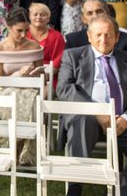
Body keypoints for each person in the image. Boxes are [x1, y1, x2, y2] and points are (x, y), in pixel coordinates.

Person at [57, 14, 127, 196]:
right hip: (88, 115)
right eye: (98, 34)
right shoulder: (73, 56)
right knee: (82, 120)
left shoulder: (125, 59)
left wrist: (125, 119)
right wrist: (96, 112)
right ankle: (75, 186)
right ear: (89, 36)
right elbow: (64, 89)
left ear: (117, 37)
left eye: (108, 34)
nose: (103, 40)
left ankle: (122, 188)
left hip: (121, 119)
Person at [0, 7, 44, 166]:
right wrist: (18, 75)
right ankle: (14, 149)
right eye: (19, 30)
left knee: (30, 99)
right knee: (16, 99)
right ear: (8, 26)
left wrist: (32, 74)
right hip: (5, 90)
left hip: (30, 90)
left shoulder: (34, 47)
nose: (23, 35)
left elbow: (41, 76)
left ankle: (20, 151)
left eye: (26, 30)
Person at [25, 2, 65, 87]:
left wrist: (43, 77)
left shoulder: (57, 36)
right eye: (35, 14)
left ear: (48, 19)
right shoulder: (23, 34)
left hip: (49, 76)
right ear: (29, 16)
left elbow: (58, 62)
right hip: (25, 74)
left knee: (45, 94)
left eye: (43, 15)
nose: (38, 17)